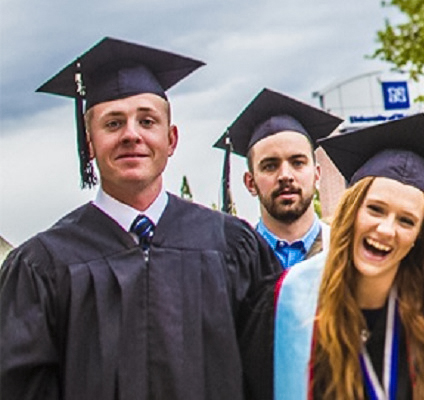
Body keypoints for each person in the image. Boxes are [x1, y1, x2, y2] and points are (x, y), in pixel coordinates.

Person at [0, 37, 281, 399]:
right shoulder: (43, 266)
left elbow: (271, 375)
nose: (131, 134)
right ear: (89, 144)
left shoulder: (233, 247)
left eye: (147, 121)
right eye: (113, 124)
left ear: (171, 139)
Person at [243, 113, 424, 400]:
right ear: (351, 213)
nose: (386, 229)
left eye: (406, 221)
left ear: (419, 236)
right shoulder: (286, 305)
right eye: (375, 209)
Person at [216, 88, 343, 269]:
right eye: (270, 166)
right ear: (250, 183)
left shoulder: (346, 255)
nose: (285, 176)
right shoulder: (232, 264)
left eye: (297, 163)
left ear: (317, 175)